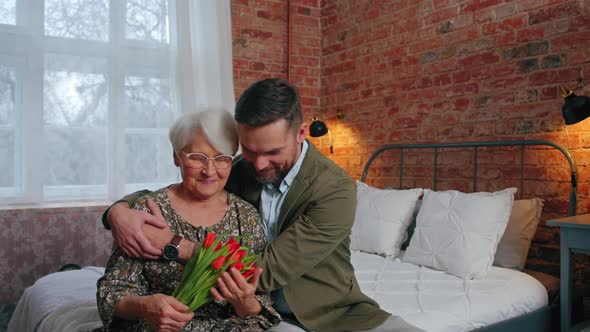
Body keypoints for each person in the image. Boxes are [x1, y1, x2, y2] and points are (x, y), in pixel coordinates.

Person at [104, 79, 424, 332]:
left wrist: (175, 246)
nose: (257, 164)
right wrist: (117, 211)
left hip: (326, 312)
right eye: (248, 149)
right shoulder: (240, 168)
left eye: (271, 151)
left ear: (300, 134)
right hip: (254, 312)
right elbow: (185, 187)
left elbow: (264, 269)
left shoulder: (336, 189)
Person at [95, 109, 280, 332]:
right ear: (176, 157)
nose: (209, 170)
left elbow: (259, 304)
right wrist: (146, 306)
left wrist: (245, 303)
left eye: (222, 158)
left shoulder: (246, 217)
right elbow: (111, 293)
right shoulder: (149, 210)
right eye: (197, 158)